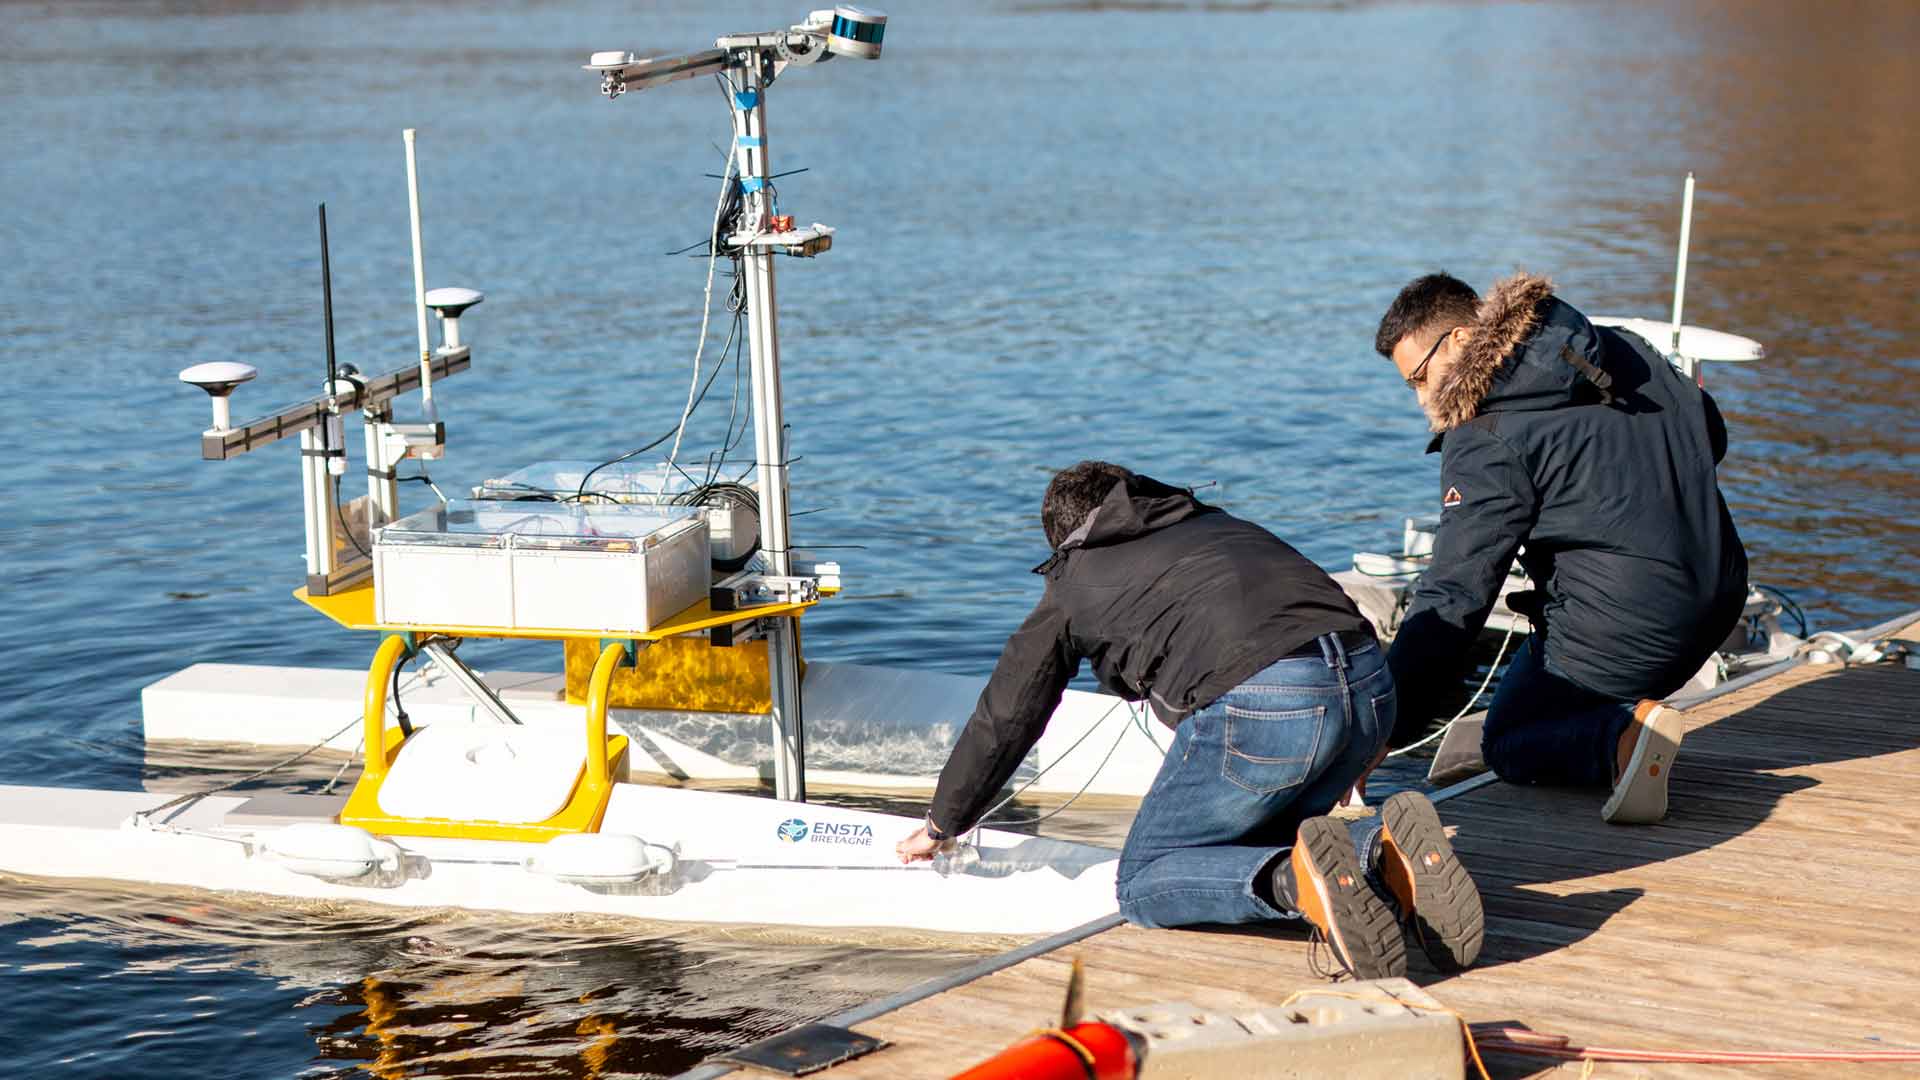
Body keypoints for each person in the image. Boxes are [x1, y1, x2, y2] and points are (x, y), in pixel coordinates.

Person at [895, 461, 1484, 978]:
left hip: (1274, 699)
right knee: (1250, 838)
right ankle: (1375, 851)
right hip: (1369, 682)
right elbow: (1331, 609)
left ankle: (1297, 882)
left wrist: (942, 824)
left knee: (1145, 881)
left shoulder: (1072, 584)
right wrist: (1369, 733)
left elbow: (1007, 716)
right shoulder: (1219, 526)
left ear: (1065, 540)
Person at [1373, 272, 1749, 824]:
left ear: (1457, 340)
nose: (1421, 396)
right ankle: (1621, 718)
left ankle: (1621, 740)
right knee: (1544, 680)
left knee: (1509, 738)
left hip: (1630, 622)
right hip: (1721, 589)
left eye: (1420, 377)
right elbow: (1709, 433)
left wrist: (1388, 726)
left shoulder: (1485, 435)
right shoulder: (1613, 345)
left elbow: (1457, 590)